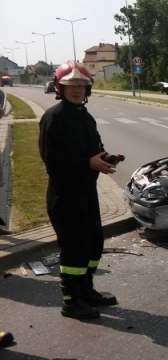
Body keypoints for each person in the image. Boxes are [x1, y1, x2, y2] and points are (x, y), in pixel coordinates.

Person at [38, 60, 123, 320]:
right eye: (70, 85)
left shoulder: (84, 117)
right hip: (65, 196)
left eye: (81, 86)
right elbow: (51, 158)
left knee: (93, 244)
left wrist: (106, 157)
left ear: (88, 89)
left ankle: (86, 291)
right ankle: (71, 302)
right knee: (74, 248)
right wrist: (87, 163)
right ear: (59, 88)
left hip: (86, 194)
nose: (76, 90)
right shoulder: (54, 117)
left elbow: (92, 150)